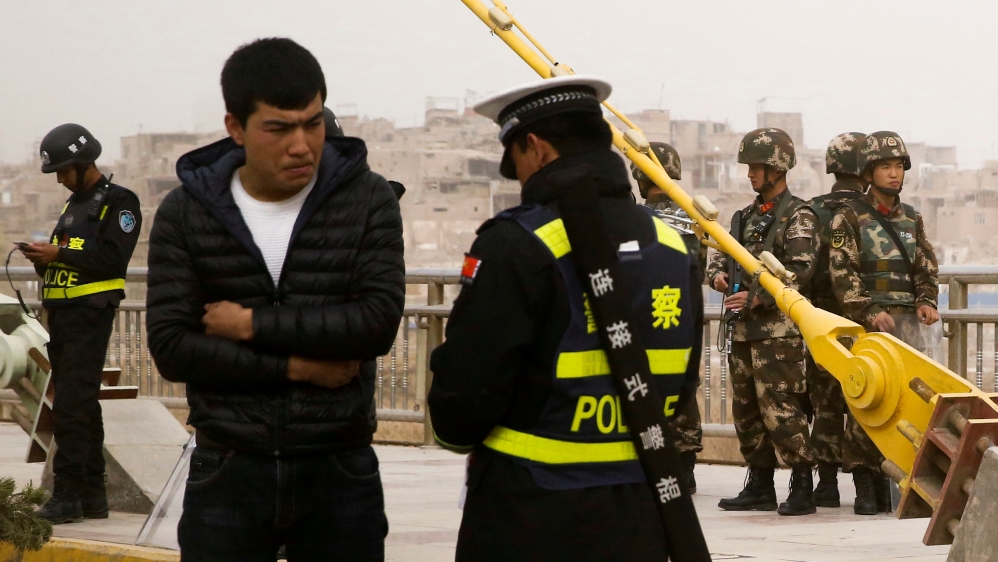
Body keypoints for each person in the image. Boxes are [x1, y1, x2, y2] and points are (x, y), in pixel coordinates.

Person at [145, 38, 404, 561]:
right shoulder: (187, 212)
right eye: (279, 128)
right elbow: (173, 347)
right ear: (236, 128)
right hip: (228, 469)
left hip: (338, 470)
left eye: (313, 122)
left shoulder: (368, 198)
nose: (302, 145)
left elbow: (375, 324)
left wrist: (250, 325)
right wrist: (297, 367)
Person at [428, 75, 703, 561]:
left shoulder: (519, 243)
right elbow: (679, 389)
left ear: (534, 148)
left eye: (515, 165)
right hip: (642, 515)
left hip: (530, 514)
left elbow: (463, 400)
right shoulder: (673, 248)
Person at [20, 123, 142, 524]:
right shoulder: (72, 208)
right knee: (82, 407)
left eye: (62, 171)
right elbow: (69, 256)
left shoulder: (119, 202)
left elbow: (110, 259)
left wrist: (60, 254)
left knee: (71, 406)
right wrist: (44, 260)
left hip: (90, 315)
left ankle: (67, 494)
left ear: (82, 162)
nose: (59, 180)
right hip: (64, 317)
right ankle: (93, 494)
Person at [705, 128, 819, 516]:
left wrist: (757, 298)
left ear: (778, 168)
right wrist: (718, 277)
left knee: (782, 408)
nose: (751, 174)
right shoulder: (742, 218)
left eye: (757, 167)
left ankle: (802, 483)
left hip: (778, 335)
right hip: (741, 331)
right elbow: (721, 256)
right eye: (750, 167)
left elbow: (800, 272)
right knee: (747, 410)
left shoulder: (799, 216)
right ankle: (759, 482)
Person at [828, 130, 940, 514]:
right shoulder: (850, 216)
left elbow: (926, 267)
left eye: (898, 166)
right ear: (869, 171)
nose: (894, 174)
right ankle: (864, 483)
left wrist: (926, 301)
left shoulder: (912, 218)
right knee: (867, 401)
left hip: (908, 328)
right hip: (869, 327)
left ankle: (898, 477)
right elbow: (843, 274)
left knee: (906, 401)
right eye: (885, 167)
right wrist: (868, 312)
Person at [632, 142, 704, 493]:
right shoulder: (694, 216)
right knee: (683, 388)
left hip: (643, 311)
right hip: (683, 310)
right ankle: (685, 465)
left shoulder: (637, 219)